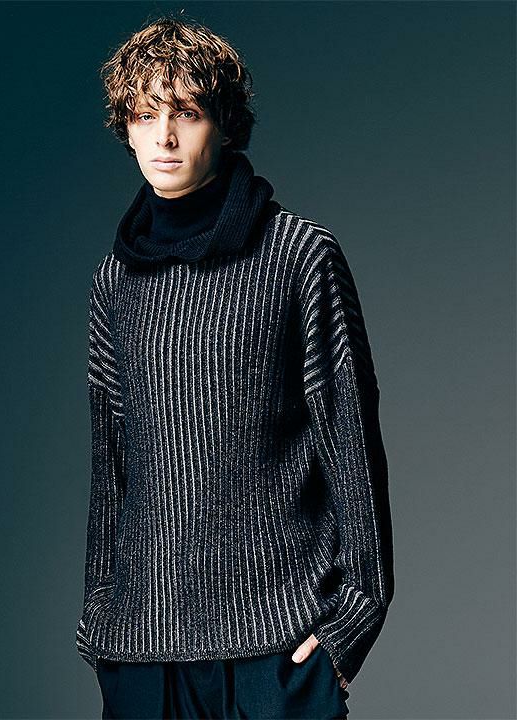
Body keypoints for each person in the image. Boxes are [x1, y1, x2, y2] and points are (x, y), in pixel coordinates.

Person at [75, 14, 394, 720]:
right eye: (145, 115)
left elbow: (350, 444)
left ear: (224, 125)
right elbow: (111, 462)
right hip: (141, 653)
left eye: (186, 113)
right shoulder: (114, 281)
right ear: (125, 128)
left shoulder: (299, 256)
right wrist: (98, 621)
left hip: (275, 651)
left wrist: (352, 622)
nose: (164, 137)